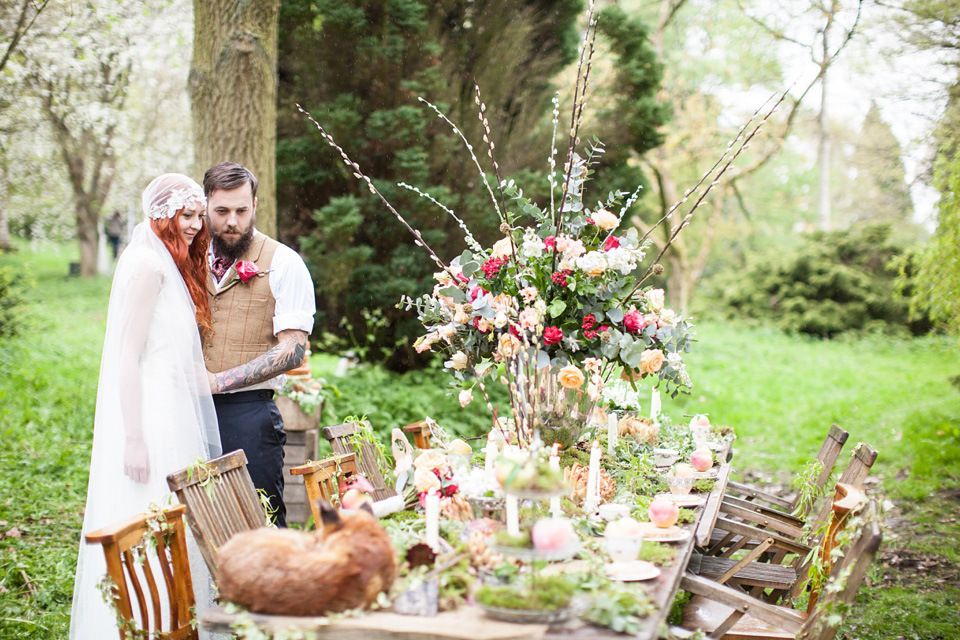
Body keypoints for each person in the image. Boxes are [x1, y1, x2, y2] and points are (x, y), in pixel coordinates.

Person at [70, 174, 222, 638]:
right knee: (151, 516)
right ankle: (149, 621)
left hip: (173, 413)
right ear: (161, 214)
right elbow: (126, 359)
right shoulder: (146, 268)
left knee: (178, 520)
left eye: (199, 215)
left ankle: (183, 619)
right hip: (151, 419)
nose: (197, 224)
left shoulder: (166, 263)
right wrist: (134, 438)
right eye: (187, 214)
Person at [202, 161, 316, 528]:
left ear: (254, 206)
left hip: (249, 414)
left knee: (259, 524)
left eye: (241, 210)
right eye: (221, 211)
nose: (231, 222)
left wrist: (219, 382)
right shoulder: (183, 261)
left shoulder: (284, 263)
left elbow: (293, 350)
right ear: (205, 205)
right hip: (185, 413)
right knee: (194, 523)